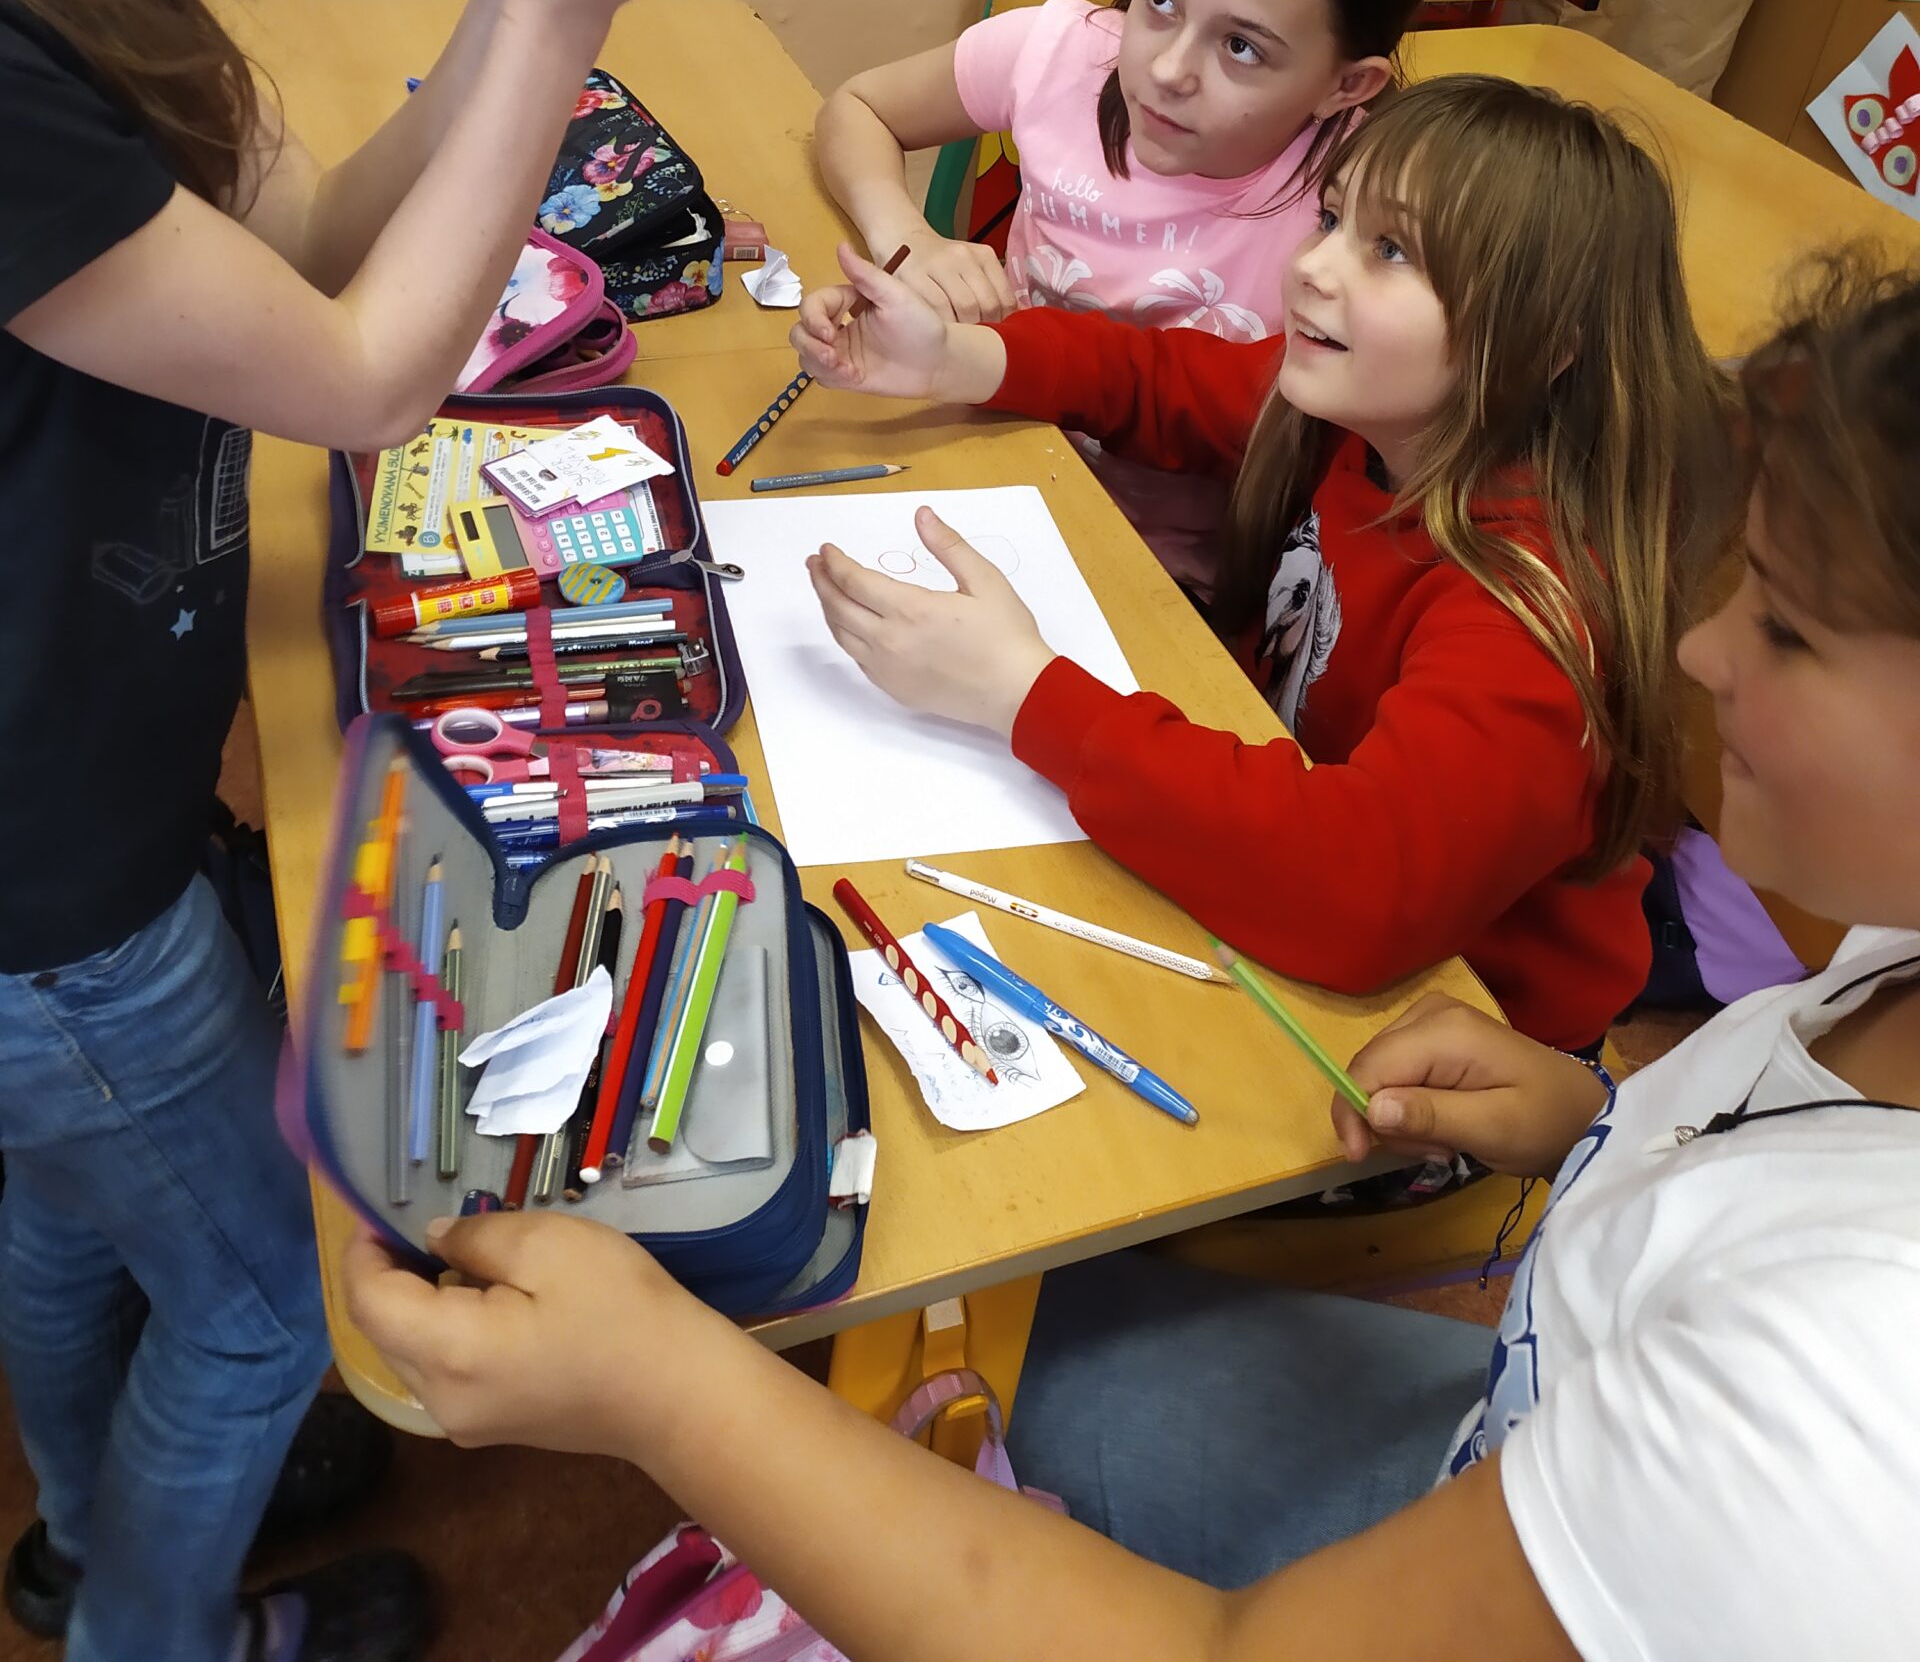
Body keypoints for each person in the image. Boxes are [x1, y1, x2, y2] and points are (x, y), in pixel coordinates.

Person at [346, 247, 1920, 1662]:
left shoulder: (1847, 1382)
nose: (1699, 651)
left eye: (1783, 626)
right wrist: (1590, 1116)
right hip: (1520, 1434)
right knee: (948, 1332)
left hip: (1529, 1505)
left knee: (895, 1331)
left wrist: (662, 1388)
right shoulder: (1884, 965)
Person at [0, 0, 708, 1661]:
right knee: (264, 1297)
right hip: (47, 896)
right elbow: (359, 378)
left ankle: (77, 1531)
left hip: (70, 839)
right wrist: (562, 12)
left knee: (74, 1211)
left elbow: (290, 258)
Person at [793, 76, 1729, 1053]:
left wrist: (1020, 692)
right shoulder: (1360, 409)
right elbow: (1154, 377)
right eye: (1332, 218)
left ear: (1547, 347)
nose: (1313, 266)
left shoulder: (1532, 611)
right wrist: (953, 358)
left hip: (1455, 1035)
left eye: (1393, 251)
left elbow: (1359, 888)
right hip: (1278, 875)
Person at [814, 0, 1448, 590]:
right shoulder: (1061, 56)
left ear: (1345, 86)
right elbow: (857, 109)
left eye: (1241, 46)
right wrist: (907, 238)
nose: (1167, 69)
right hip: (987, 470)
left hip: (1173, 585)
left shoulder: (1362, 215)